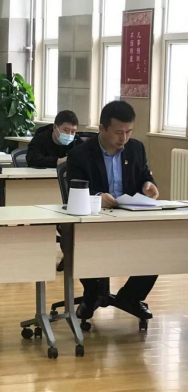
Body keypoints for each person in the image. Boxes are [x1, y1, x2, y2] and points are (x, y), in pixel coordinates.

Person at [67, 100, 158, 321]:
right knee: (80, 242)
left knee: (159, 243)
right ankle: (92, 294)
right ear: (102, 128)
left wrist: (148, 185)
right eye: (118, 132)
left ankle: (131, 297)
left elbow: (144, 175)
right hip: (94, 221)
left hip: (129, 218)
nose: (124, 138)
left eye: (129, 132)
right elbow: (73, 190)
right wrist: (97, 197)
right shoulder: (80, 154)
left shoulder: (136, 148)